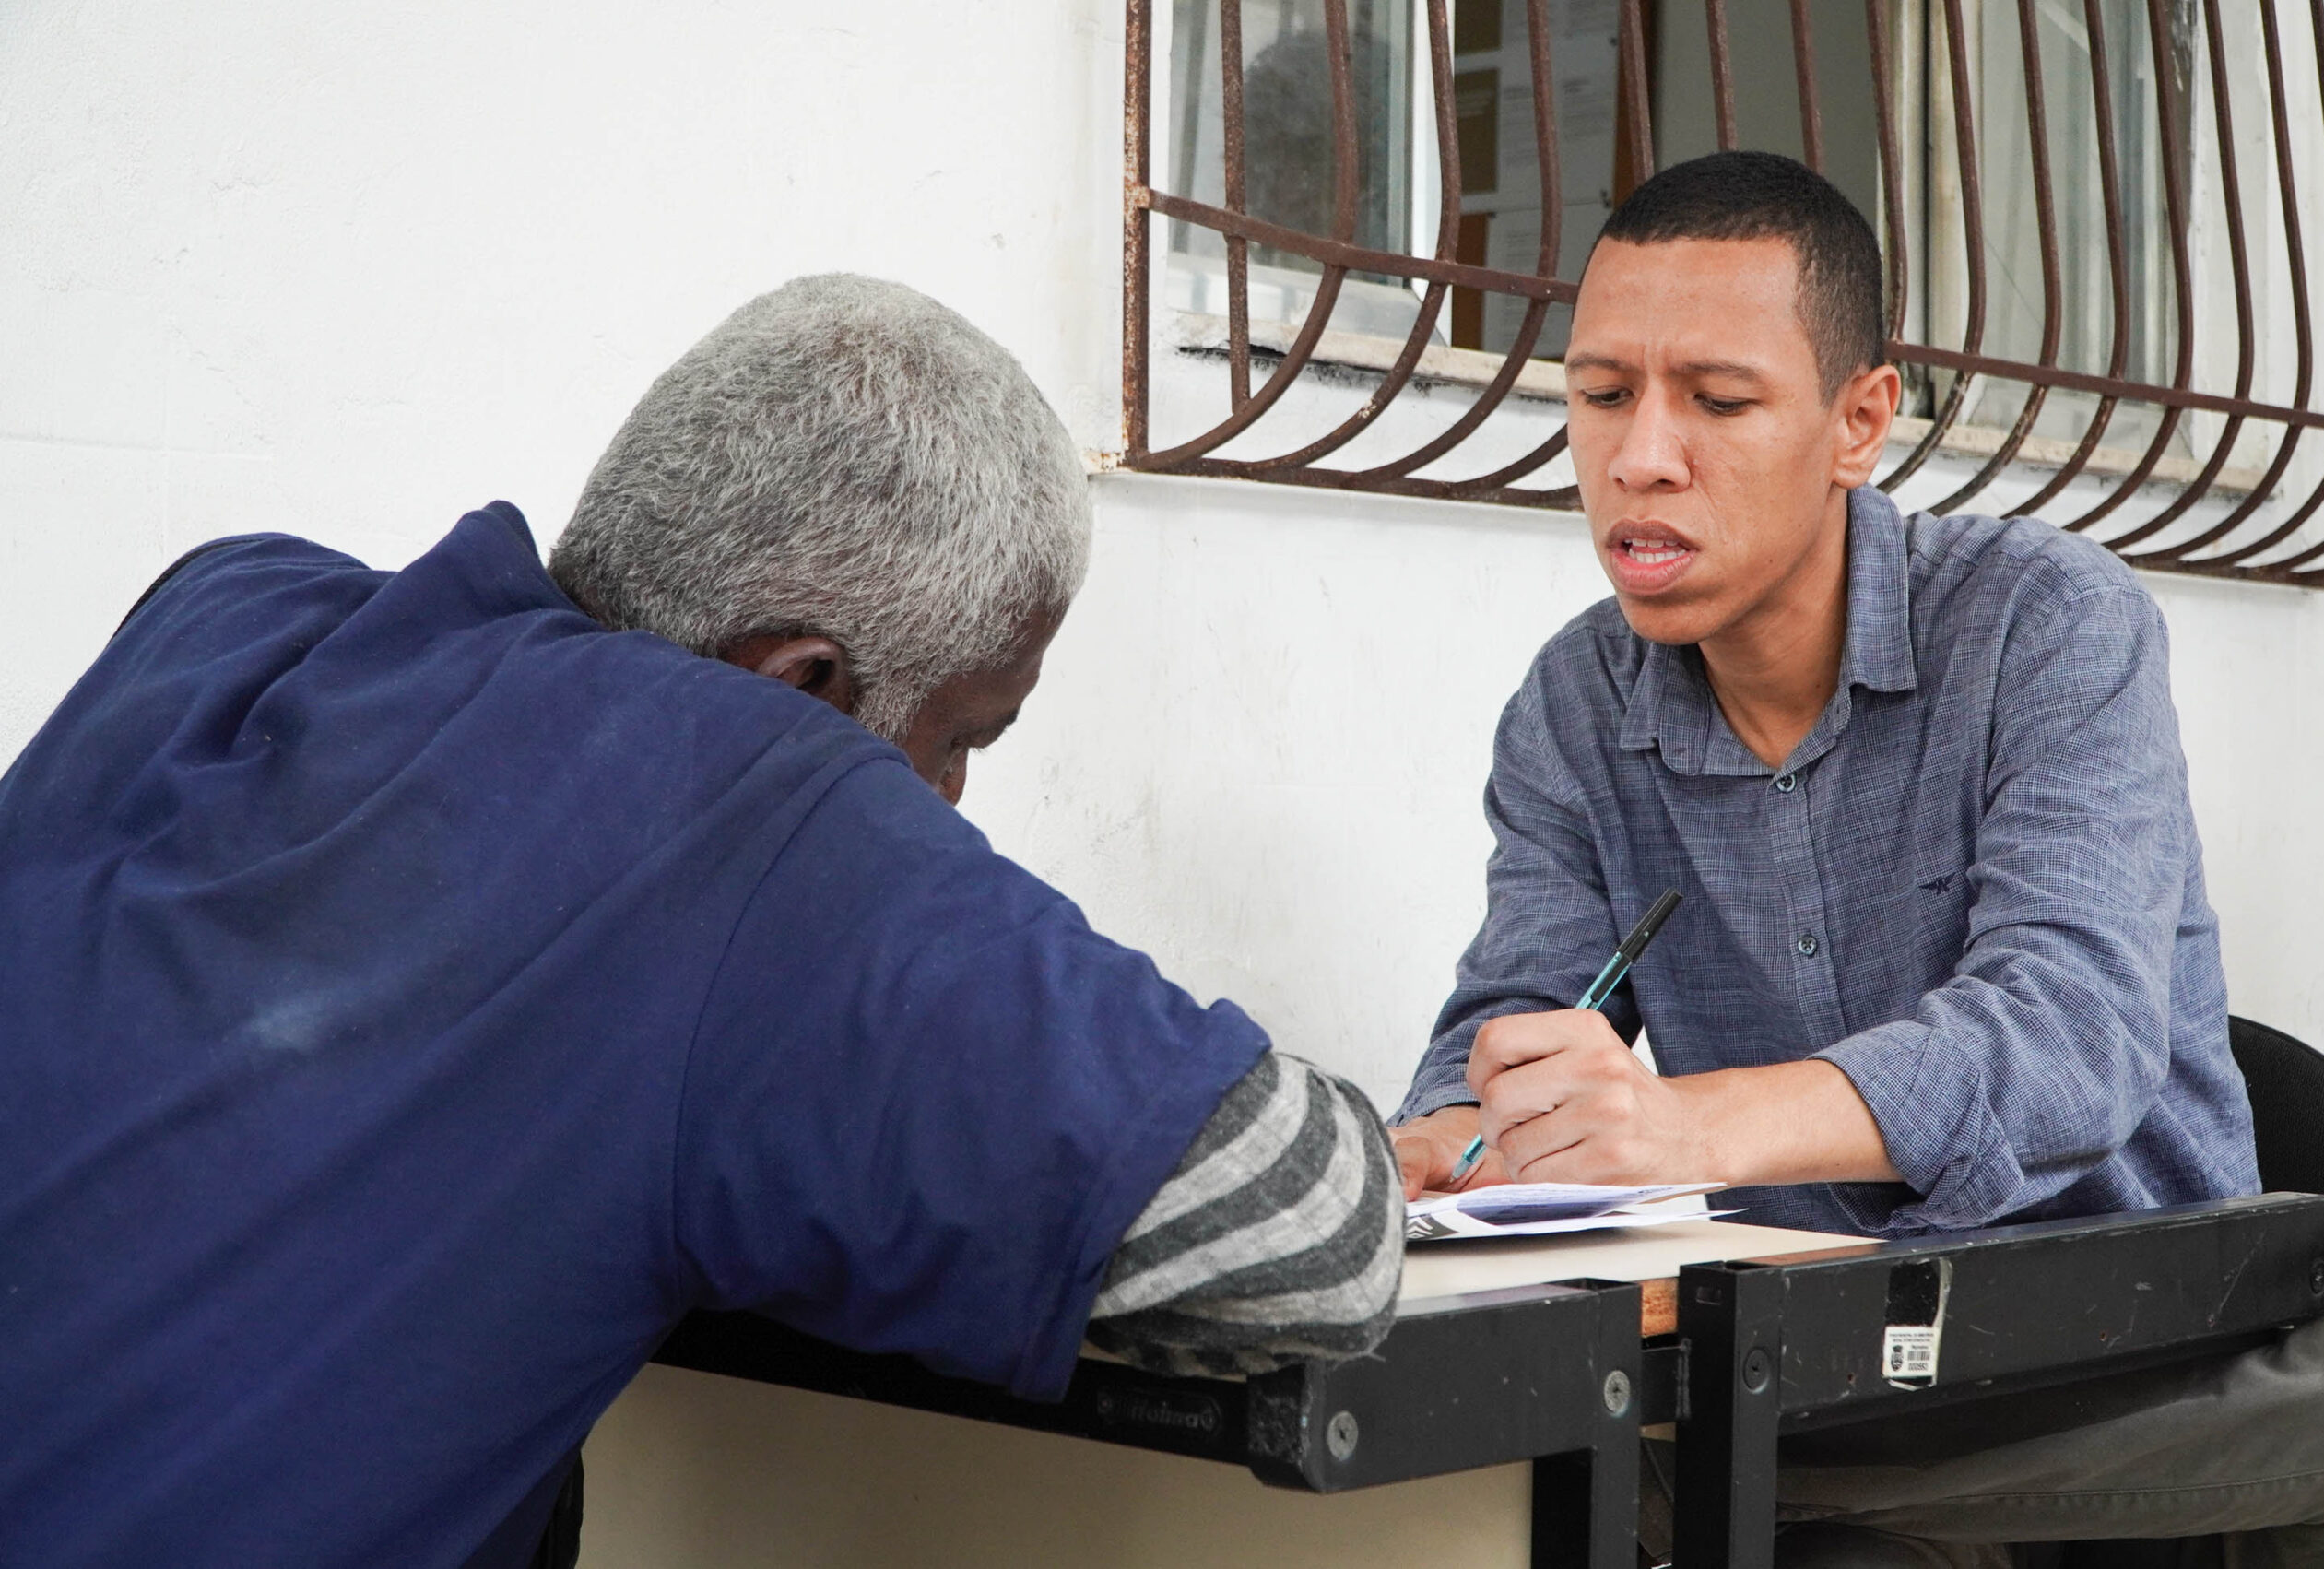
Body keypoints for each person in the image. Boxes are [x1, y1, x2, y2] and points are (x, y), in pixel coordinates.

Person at [0, 275, 1401, 1568]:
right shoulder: (751, 806)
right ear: (801, 683)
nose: (955, 807)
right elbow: (1316, 1230)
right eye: (964, 734)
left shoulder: (223, 613)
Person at [1386, 152, 2324, 1565]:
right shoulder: (1574, 702)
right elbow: (1511, 1023)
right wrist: (1459, 1137)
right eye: (1601, 394)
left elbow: (2071, 1034)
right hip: (1804, 1372)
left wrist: (1690, 1126)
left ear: (1861, 421)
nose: (1640, 456)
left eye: (1717, 401)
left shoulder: (2047, 625)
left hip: (2123, 1354)